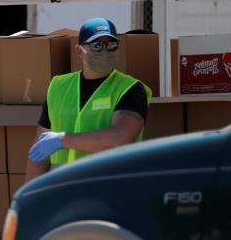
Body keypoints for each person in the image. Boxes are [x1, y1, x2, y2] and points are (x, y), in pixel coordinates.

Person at [25, 18, 151, 182]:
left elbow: (122, 138)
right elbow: (39, 152)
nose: (104, 51)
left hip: (107, 189)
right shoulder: (58, 86)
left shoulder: (131, 89)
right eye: (97, 45)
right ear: (79, 50)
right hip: (63, 188)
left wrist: (62, 140)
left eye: (111, 45)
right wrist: (27, 196)